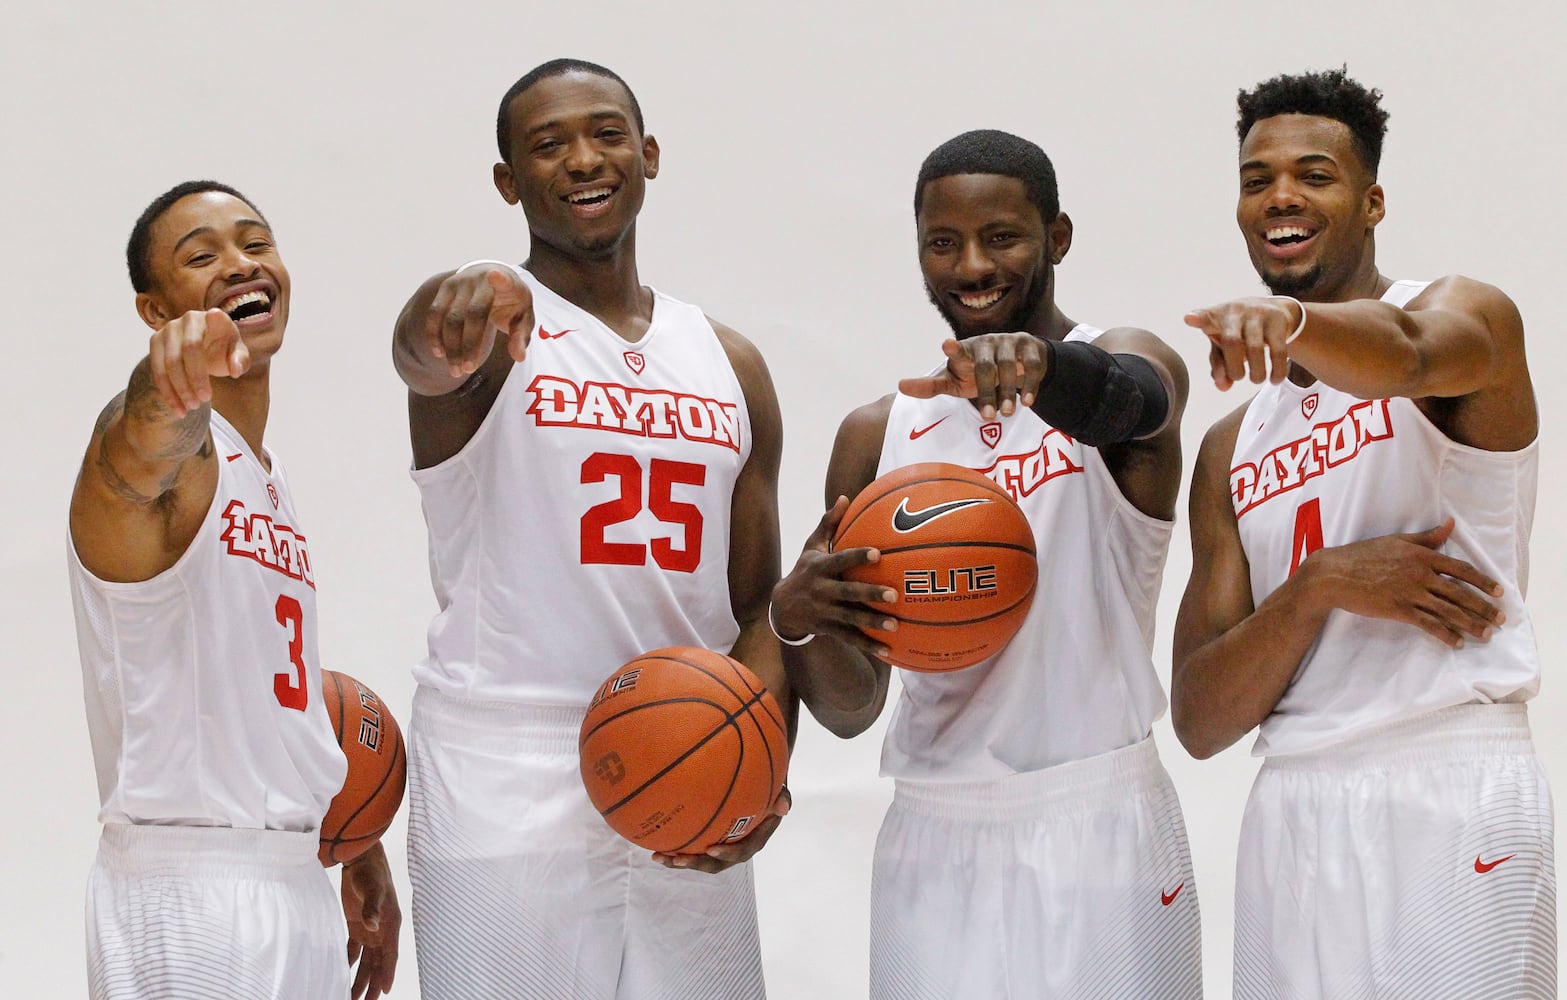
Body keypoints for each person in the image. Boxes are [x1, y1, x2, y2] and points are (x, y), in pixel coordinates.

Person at [390, 59, 790, 999]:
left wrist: (763, 765)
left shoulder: (728, 361)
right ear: (507, 182)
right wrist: (450, 304)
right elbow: (418, 351)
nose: (582, 159)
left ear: (647, 154)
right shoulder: (489, 332)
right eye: (547, 144)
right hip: (506, 767)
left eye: (606, 133)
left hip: (688, 748)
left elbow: (758, 607)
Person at [769, 129, 1200, 999]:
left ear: (1058, 237)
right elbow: (852, 711)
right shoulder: (878, 433)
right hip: (934, 830)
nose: (970, 265)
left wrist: (1044, 367)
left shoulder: (1121, 369)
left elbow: (1141, 397)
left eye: (1001, 237)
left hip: (1099, 817)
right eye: (942, 242)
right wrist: (800, 619)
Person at [1173, 68, 1555, 998]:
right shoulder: (1232, 443)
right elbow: (1199, 716)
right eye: (1256, 179)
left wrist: (1293, 323)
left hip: (1447, 773)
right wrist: (1317, 588)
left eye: (1313, 174)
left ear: (1371, 199)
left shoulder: (1468, 316)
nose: (1281, 197)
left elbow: (1409, 356)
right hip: (1292, 806)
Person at [68, 181, 400, 999]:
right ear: (155, 310)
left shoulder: (268, 473)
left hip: (292, 877)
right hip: (187, 895)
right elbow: (134, 451)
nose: (239, 264)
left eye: (255, 242)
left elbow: (264, 681)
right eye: (201, 255)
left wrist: (355, 842)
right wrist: (163, 393)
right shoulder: (172, 455)